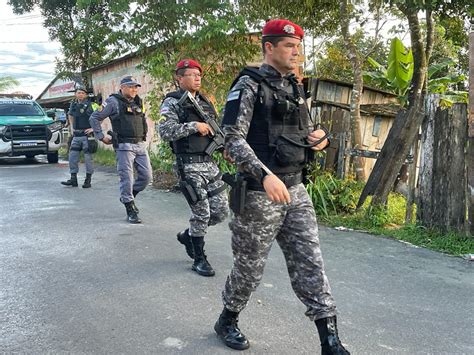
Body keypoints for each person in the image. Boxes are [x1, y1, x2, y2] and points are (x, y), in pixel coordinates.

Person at [214, 19, 350, 354]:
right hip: (261, 194)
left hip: (297, 190)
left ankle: (329, 340)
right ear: (268, 47)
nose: (296, 52)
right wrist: (264, 175)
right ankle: (227, 320)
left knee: (311, 263)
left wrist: (319, 139)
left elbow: (304, 129)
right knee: (249, 270)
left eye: (298, 46)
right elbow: (230, 139)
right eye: (289, 45)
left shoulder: (296, 86)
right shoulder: (249, 84)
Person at [158, 59, 229, 277]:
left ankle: (189, 235)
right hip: (188, 165)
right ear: (179, 78)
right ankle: (199, 258)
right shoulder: (172, 103)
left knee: (220, 211)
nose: (197, 78)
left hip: (209, 163)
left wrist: (225, 148)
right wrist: (193, 126)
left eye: (199, 74)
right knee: (201, 212)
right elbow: (165, 131)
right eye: (191, 74)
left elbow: (216, 132)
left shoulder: (206, 103)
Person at [89, 75, 152, 224]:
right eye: (131, 86)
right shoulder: (113, 102)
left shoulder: (138, 101)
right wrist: (100, 136)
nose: (134, 89)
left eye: (136, 86)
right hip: (124, 146)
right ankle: (130, 208)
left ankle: (129, 197)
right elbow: (94, 117)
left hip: (140, 145)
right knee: (127, 178)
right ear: (122, 87)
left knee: (146, 177)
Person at [61, 86, 98, 188]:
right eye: (78, 93)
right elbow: (70, 115)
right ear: (75, 94)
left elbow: (101, 116)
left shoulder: (92, 105)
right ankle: (73, 179)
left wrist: (93, 129)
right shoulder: (73, 105)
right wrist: (72, 128)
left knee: (88, 159)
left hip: (87, 136)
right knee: (72, 157)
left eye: (82, 93)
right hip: (76, 135)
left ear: (85, 95)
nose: (80, 94)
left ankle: (88, 180)